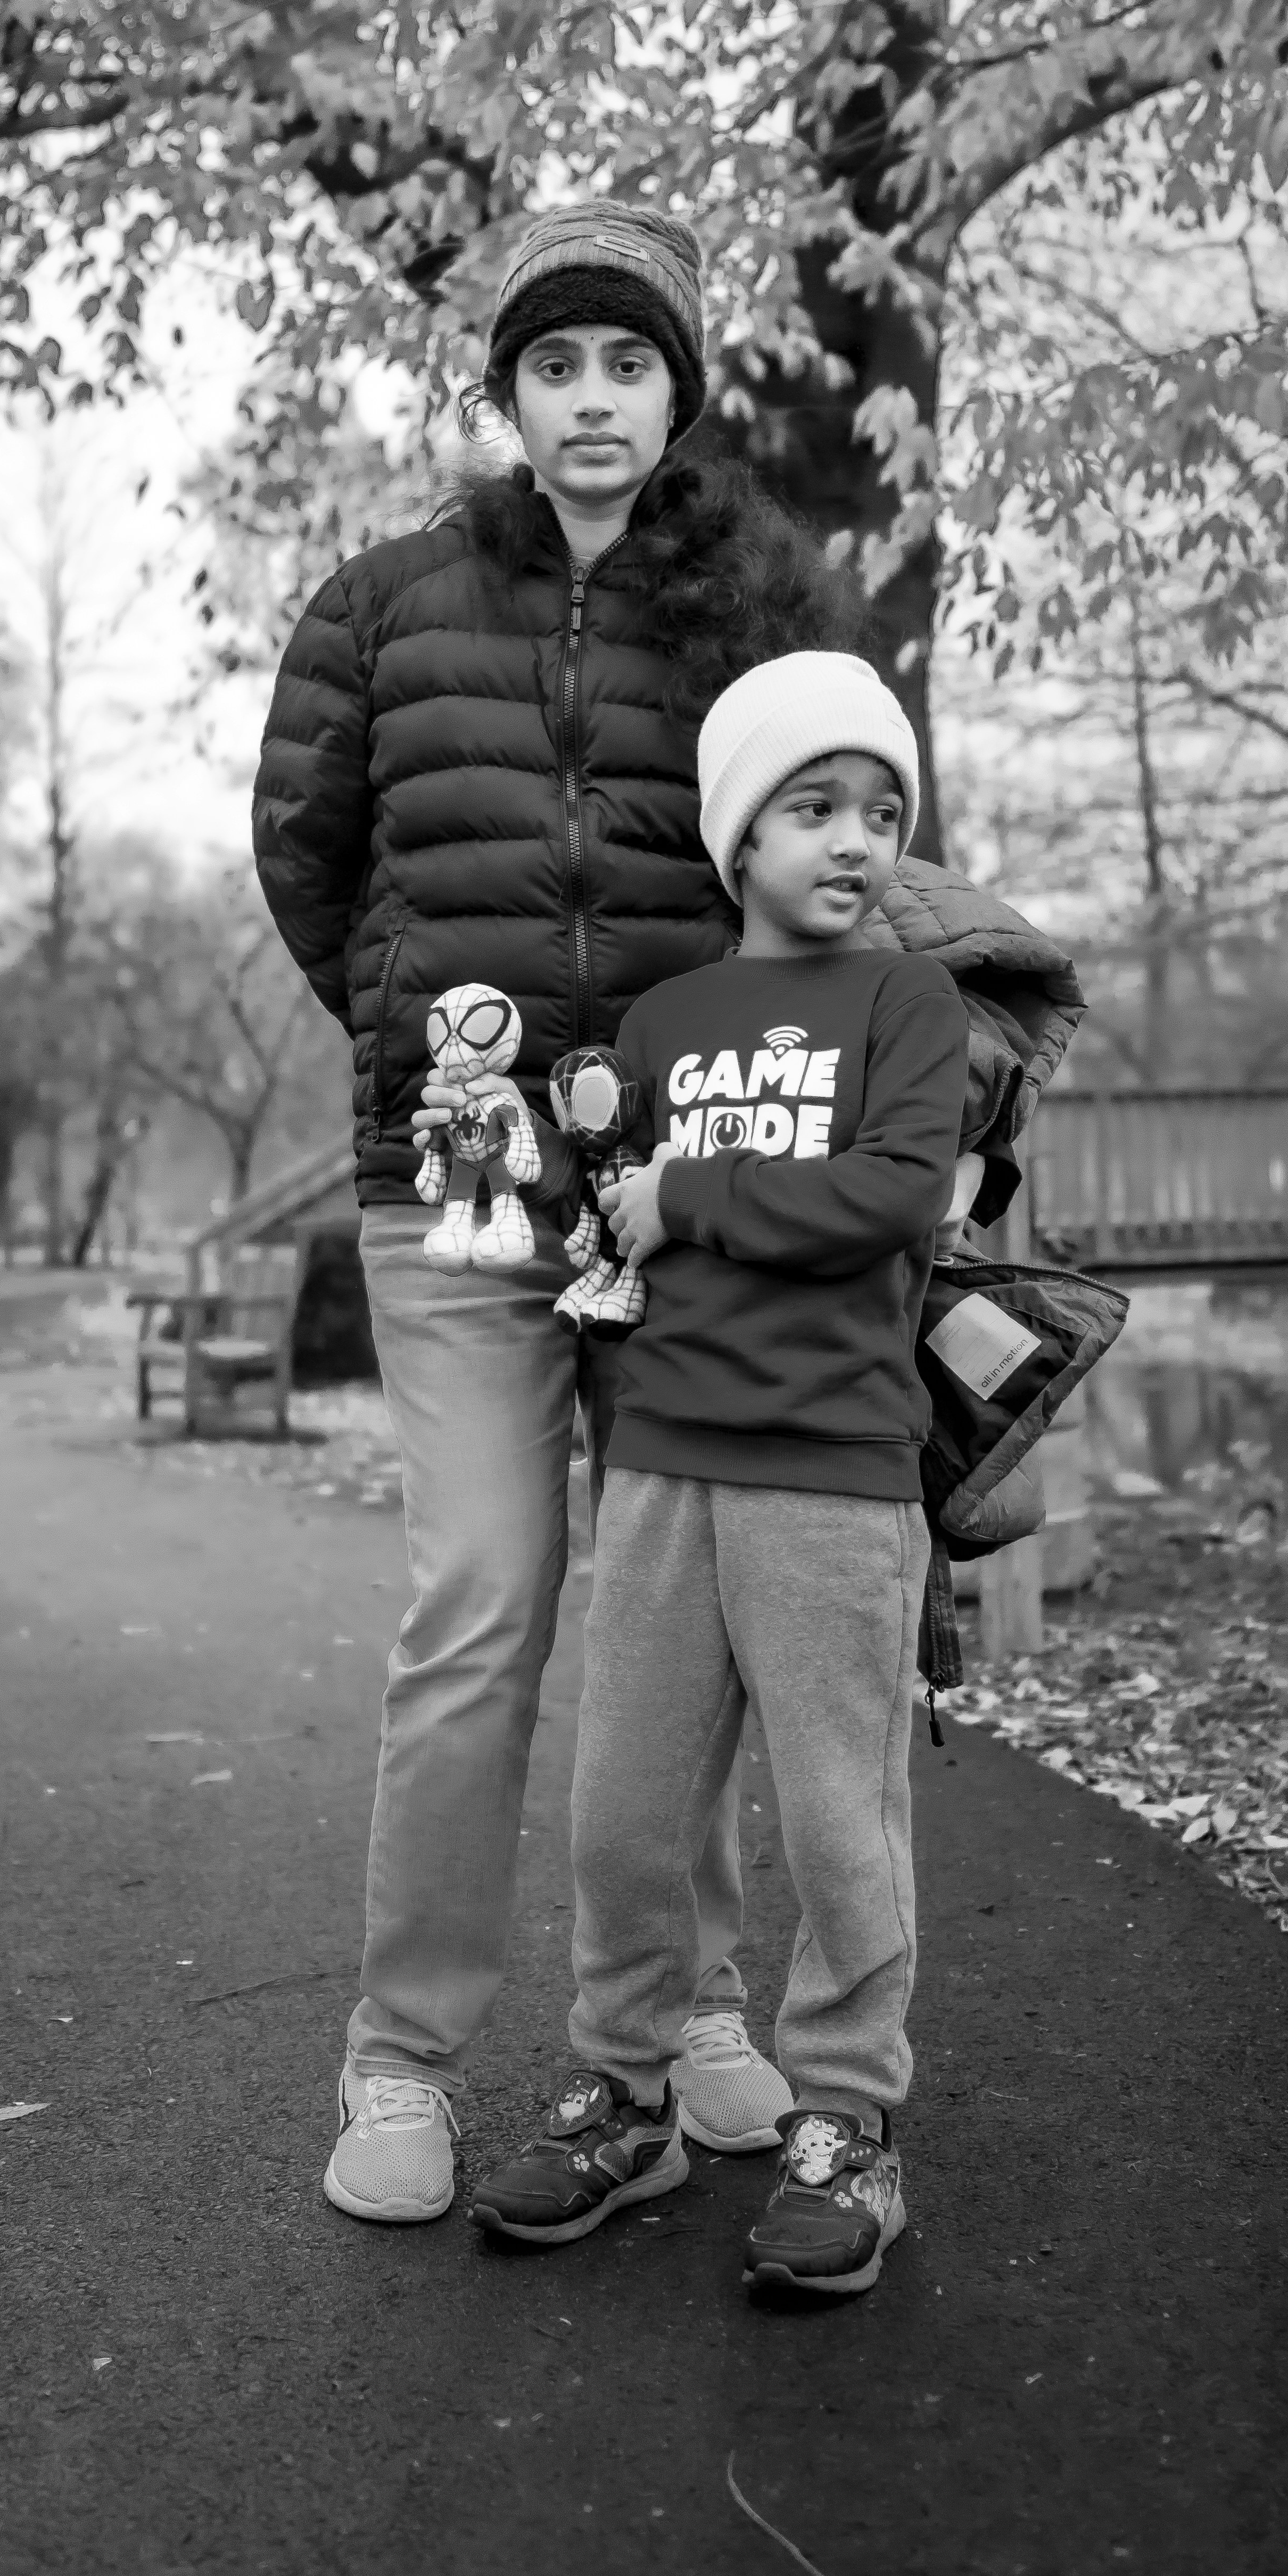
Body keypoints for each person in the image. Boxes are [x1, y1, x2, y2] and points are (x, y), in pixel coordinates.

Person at [254, 202, 849, 2224]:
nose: (592, 401)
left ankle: (683, 2010)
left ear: (678, 391)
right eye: (554, 367)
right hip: (464, 1196)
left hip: (685, 1190)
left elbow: (820, 861)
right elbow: (313, 868)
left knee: (678, 1626)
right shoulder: (379, 607)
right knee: (486, 1610)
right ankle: (400, 2063)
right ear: (503, 394)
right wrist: (437, 1048)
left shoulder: (763, 615)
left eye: (628, 365)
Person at [466, 650, 959, 2302]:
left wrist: (696, 1200)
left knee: (838, 1820)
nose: (852, 840)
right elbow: (614, 1212)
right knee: (626, 1810)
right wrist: (593, 1191)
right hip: (666, 1461)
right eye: (813, 807)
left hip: (835, 1473)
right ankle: (627, 2093)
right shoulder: (668, 1024)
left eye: (880, 813)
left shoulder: (910, 1004)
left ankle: (847, 2129)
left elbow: (893, 1197)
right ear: (738, 838)